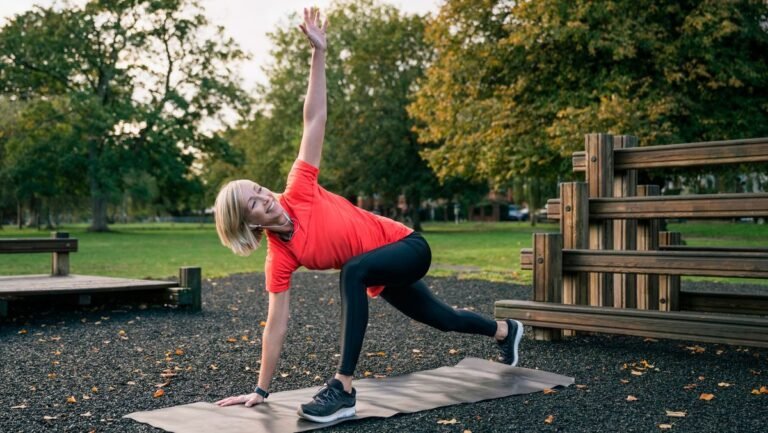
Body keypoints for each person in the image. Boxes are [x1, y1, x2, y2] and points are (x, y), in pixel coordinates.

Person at [213, 7, 523, 423]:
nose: (263, 196)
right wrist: (260, 390)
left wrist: (319, 53)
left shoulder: (299, 187)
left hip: (408, 246)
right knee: (442, 319)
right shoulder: (280, 257)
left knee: (352, 271)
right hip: (380, 273)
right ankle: (506, 331)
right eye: (252, 202)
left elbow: (314, 118)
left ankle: (343, 388)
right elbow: (276, 324)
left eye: (257, 188)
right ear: (248, 222)